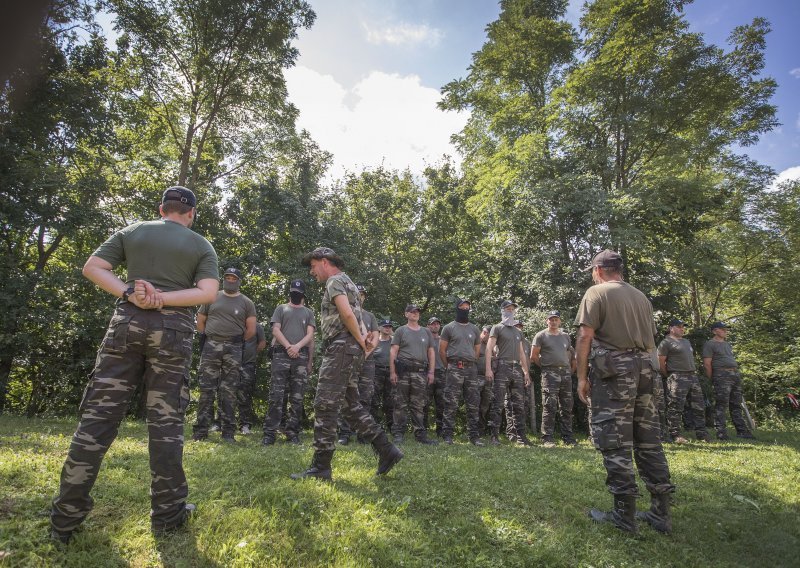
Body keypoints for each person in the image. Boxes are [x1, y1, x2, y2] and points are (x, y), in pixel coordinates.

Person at [50, 186, 219, 543]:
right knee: (166, 423)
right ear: (190, 214)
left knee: (97, 420)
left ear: (162, 208)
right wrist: (163, 300)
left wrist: (132, 294)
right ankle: (168, 515)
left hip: (126, 324)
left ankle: (65, 520)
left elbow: (93, 267)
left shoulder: (133, 231)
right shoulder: (201, 245)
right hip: (173, 331)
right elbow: (207, 293)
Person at [575, 249, 674, 534]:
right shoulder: (641, 296)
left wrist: (582, 377)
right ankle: (660, 513)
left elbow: (585, 336)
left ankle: (624, 517)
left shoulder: (596, 293)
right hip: (646, 369)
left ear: (598, 270)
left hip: (616, 371)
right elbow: (652, 341)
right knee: (649, 441)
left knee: (615, 439)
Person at [291, 247, 401, 480]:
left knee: (325, 403)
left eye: (312, 266)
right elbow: (356, 316)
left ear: (324, 262)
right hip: (350, 348)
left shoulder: (334, 282)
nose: (312, 272)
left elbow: (348, 315)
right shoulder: (349, 282)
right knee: (350, 405)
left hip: (342, 347)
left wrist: (361, 341)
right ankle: (386, 449)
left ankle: (321, 467)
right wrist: (362, 344)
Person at [192, 268, 257, 443]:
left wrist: (234, 341)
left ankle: (228, 432)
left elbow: (251, 329)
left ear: (239, 281)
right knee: (207, 389)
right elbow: (200, 320)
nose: (230, 280)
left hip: (234, 348)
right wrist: (208, 336)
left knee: (229, 391)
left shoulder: (246, 302)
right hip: (211, 345)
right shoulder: (211, 297)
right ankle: (201, 431)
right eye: (227, 277)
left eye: (233, 278)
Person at [263, 280, 315, 445]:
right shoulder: (281, 309)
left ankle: (292, 433)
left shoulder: (308, 313)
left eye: (298, 292)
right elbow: (275, 330)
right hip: (281, 356)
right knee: (276, 395)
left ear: (303, 295)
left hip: (301, 357)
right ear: (289, 293)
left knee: (297, 396)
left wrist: (299, 350)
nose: (296, 295)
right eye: (293, 292)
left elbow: (310, 335)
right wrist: (288, 347)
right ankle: (270, 433)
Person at [390, 305, 438, 445]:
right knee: (400, 403)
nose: (415, 314)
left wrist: (431, 372)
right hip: (403, 372)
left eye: (417, 312)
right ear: (406, 314)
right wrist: (392, 372)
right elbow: (393, 352)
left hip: (420, 372)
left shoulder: (426, 332)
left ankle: (420, 435)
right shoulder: (401, 331)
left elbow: (431, 353)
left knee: (418, 405)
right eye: (412, 312)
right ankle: (398, 433)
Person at [485, 300, 531, 446]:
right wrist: (488, 369)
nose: (510, 311)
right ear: (502, 310)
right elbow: (488, 348)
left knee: (519, 405)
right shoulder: (497, 328)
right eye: (507, 309)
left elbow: (522, 353)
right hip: (502, 368)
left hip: (516, 369)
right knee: (497, 403)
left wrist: (526, 372)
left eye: (512, 309)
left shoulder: (518, 332)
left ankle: (521, 437)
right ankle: (494, 437)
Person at [338, 284, 379, 445]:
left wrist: (366, 353)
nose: (360, 297)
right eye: (358, 294)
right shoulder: (345, 312)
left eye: (362, 294)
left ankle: (363, 433)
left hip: (367, 361)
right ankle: (344, 433)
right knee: (348, 395)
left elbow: (376, 336)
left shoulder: (370, 316)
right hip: (349, 359)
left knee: (366, 396)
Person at [657, 319, 709, 443]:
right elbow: (660, 361)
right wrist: (669, 374)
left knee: (699, 405)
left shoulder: (686, 341)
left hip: (692, 376)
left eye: (683, 327)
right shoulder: (666, 343)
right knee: (675, 406)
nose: (682, 329)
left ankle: (702, 434)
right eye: (679, 327)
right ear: (671, 328)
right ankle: (675, 434)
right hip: (677, 376)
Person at [439, 299, 482, 445]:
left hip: (471, 369)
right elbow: (442, 350)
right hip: (454, 367)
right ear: (456, 308)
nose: (465, 309)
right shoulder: (449, 328)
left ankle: (474, 437)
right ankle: (447, 436)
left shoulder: (475, 329)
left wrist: (470, 362)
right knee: (451, 402)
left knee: (473, 403)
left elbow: (477, 350)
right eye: (462, 307)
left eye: (467, 307)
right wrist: (449, 366)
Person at [531, 310, 577, 447]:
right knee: (549, 405)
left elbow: (571, 354)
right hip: (549, 374)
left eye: (556, 319)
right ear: (547, 321)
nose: (554, 322)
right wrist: (546, 367)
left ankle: (568, 438)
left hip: (565, 374)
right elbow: (534, 356)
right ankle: (547, 438)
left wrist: (570, 370)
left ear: (560, 321)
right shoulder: (541, 336)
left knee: (567, 406)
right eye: (551, 319)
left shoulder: (565, 337)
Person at [702, 322, 755, 441]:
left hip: (734, 374)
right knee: (721, 404)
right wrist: (713, 378)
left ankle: (742, 431)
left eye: (726, 329)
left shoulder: (727, 344)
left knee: (736, 404)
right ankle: (721, 433)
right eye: (723, 329)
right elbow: (707, 364)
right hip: (721, 375)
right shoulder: (710, 344)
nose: (726, 331)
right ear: (715, 331)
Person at [239, 322, 266, 435]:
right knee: (224, 392)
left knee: (245, 394)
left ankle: (245, 425)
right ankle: (220, 423)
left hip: (248, 365)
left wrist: (252, 354)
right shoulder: (234, 323)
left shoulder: (257, 326)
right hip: (229, 363)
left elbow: (262, 343)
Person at [424, 316, 447, 436]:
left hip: (441, 373)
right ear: (428, 326)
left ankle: (440, 430)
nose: (435, 326)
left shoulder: (444, 340)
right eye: (432, 324)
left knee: (441, 403)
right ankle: (423, 429)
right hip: (426, 373)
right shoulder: (424, 338)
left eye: (437, 324)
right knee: (424, 403)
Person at [370, 319, 395, 430]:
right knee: (374, 400)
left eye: (389, 326)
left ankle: (391, 426)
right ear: (379, 328)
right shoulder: (375, 341)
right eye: (385, 326)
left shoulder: (394, 341)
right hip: (377, 372)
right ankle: (374, 426)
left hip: (391, 372)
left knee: (390, 401)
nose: (388, 328)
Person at [476, 325, 494, 435]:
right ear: (484, 332)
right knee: (474, 404)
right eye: (489, 334)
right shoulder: (475, 342)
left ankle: (481, 430)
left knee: (485, 405)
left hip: (488, 379)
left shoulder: (491, 345)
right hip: (475, 377)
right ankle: (472, 430)